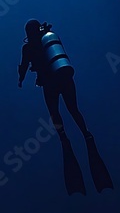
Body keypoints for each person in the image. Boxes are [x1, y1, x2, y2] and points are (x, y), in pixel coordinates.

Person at [18, 19, 112, 194]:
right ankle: (86, 133)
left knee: (55, 113)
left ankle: (64, 137)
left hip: (48, 83)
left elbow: (24, 66)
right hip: (64, 77)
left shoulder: (28, 48)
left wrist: (20, 79)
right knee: (73, 108)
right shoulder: (48, 37)